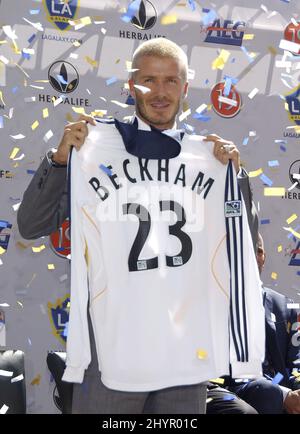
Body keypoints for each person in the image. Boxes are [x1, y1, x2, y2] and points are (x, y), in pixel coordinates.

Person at [17, 38, 263, 414]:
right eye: (149, 80)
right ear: (131, 86)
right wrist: (61, 159)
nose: (159, 92)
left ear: (184, 87)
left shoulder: (213, 159)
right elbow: (31, 224)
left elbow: (242, 250)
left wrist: (233, 178)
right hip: (111, 351)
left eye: (170, 81)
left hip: (183, 356)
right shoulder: (91, 151)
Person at [207, 233, 300, 414]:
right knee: (268, 394)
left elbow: (297, 359)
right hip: (233, 392)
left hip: (281, 389)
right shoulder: (210, 305)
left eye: (259, 251)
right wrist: (283, 394)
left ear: (264, 257)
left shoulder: (287, 308)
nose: (254, 257)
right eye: (248, 250)